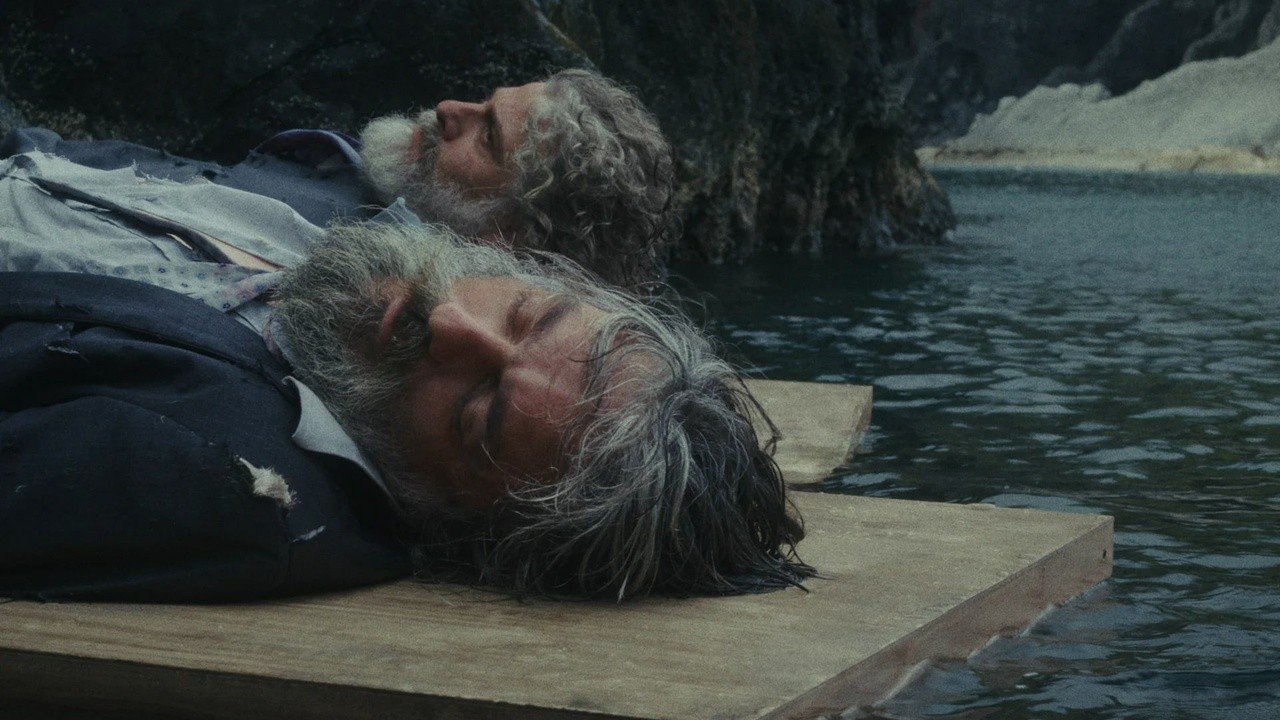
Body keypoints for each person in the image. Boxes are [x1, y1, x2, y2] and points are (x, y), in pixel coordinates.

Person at [0, 149, 811, 602]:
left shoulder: (217, 473)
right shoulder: (351, 230)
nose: (452, 323)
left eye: (476, 411)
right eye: (526, 313)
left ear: (443, 521)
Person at [1, 69, 676, 290]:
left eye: (488, 135)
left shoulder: (342, 306)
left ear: (508, 237)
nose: (451, 108)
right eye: (482, 100)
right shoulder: (352, 176)